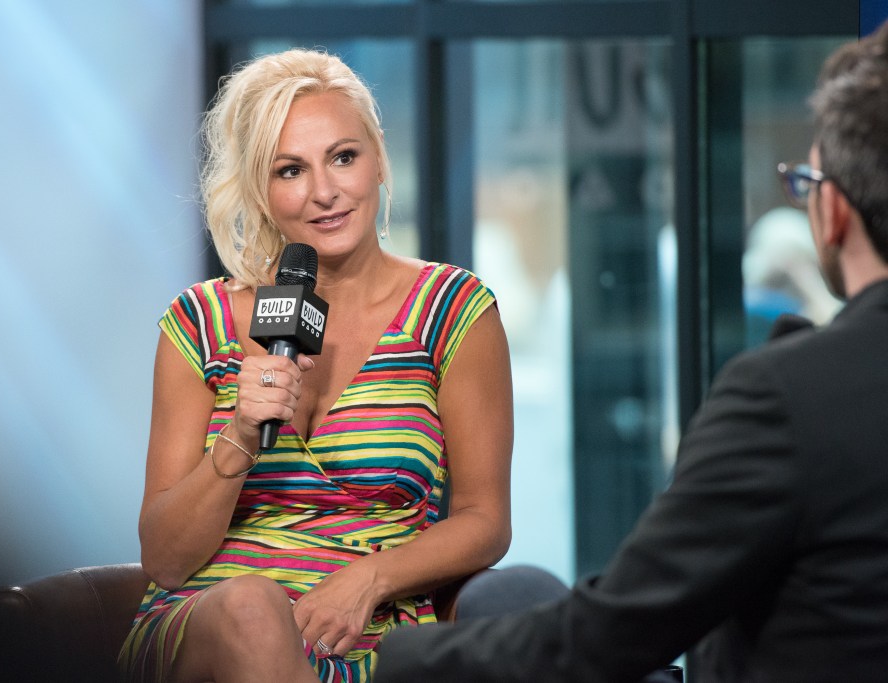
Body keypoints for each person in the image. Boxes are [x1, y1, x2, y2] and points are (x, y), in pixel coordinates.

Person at [376, 20, 888, 683]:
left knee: (505, 606)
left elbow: (609, 636)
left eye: (806, 183)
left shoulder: (791, 394)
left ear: (836, 213)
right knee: (512, 593)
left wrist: (397, 663)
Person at [117, 49, 513, 682]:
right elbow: (163, 557)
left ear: (379, 159)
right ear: (259, 189)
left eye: (343, 157)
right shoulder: (199, 321)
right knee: (252, 606)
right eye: (290, 169)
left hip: (370, 624)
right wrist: (240, 438)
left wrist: (369, 578)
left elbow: (486, 520)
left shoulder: (453, 309)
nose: (324, 192)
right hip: (211, 622)